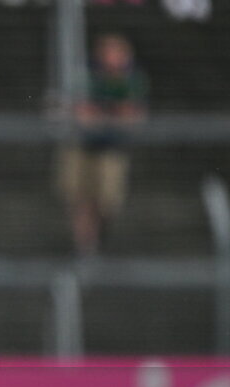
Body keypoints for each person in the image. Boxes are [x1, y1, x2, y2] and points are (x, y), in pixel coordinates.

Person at [57, 34, 148, 256]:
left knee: (107, 203)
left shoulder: (131, 79)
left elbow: (131, 116)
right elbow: (81, 113)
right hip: (83, 147)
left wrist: (104, 117)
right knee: (81, 200)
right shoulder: (87, 75)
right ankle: (85, 247)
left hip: (111, 150)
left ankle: (99, 241)